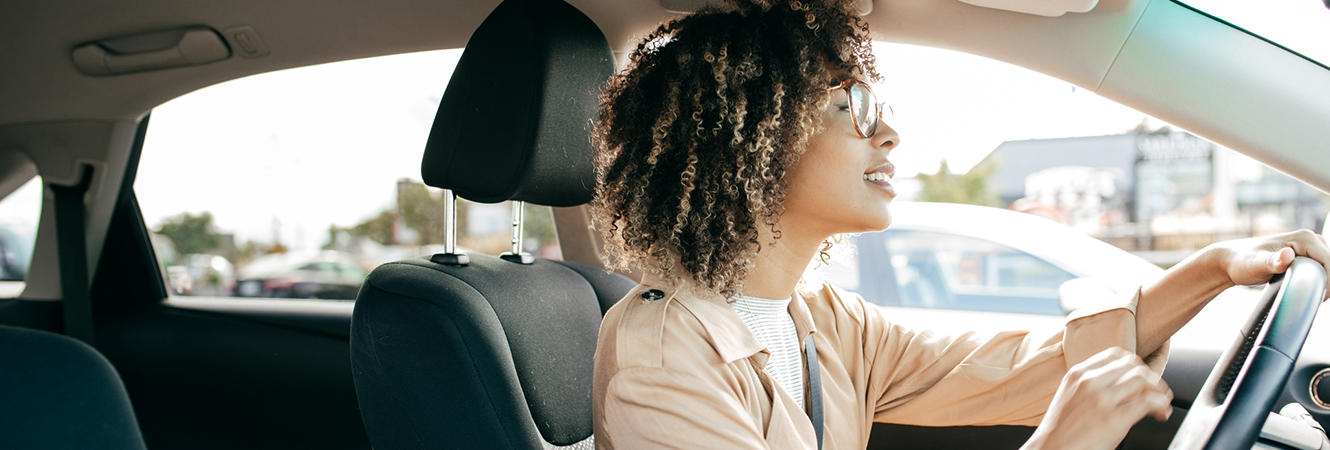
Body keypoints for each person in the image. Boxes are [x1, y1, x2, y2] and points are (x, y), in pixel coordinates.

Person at [587, 1, 1330, 449]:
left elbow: (1018, 368)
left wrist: (1210, 272)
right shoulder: (663, 357)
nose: (891, 136)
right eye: (857, 110)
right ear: (747, 140)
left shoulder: (821, 320)